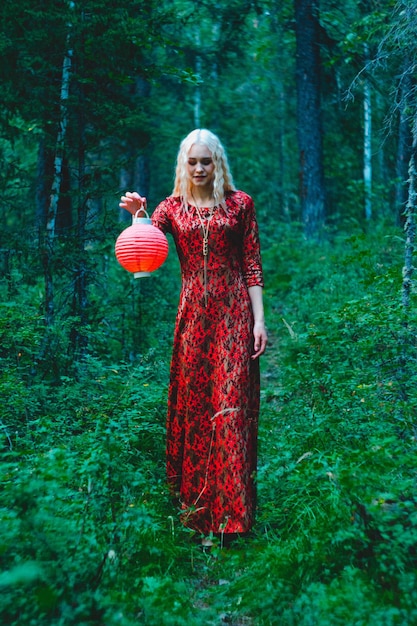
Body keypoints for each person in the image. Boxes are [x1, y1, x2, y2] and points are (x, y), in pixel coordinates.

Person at [120, 128, 267, 543]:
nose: (200, 168)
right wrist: (138, 215)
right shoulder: (172, 208)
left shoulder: (240, 205)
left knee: (230, 410)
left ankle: (234, 519)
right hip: (193, 322)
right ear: (184, 165)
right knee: (197, 409)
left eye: (206, 161)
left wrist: (259, 321)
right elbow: (145, 239)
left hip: (234, 316)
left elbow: (252, 265)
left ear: (217, 163)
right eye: (193, 161)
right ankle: (198, 512)